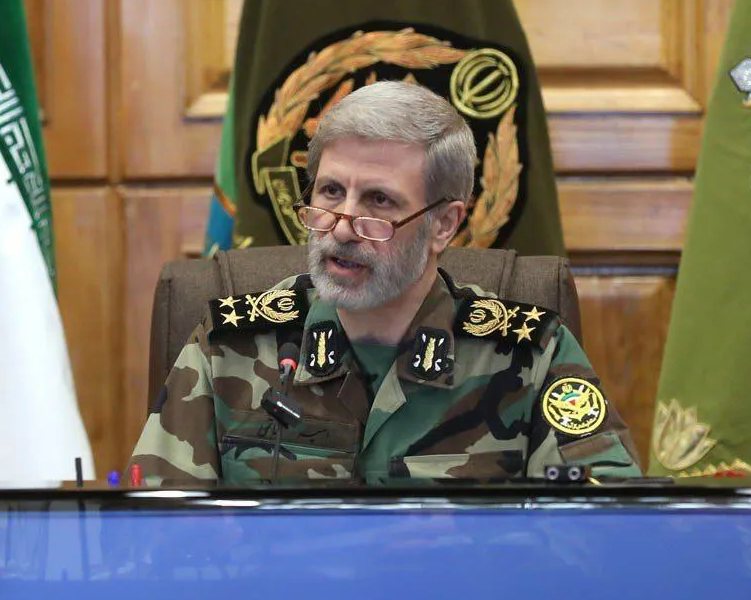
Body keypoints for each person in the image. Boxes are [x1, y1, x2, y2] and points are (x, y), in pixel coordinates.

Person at [129, 81, 641, 485]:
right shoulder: (229, 347)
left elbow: (609, 531)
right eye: (331, 192)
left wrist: (467, 544)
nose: (342, 227)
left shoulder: (529, 354)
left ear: (443, 225)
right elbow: (157, 535)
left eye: (379, 201)